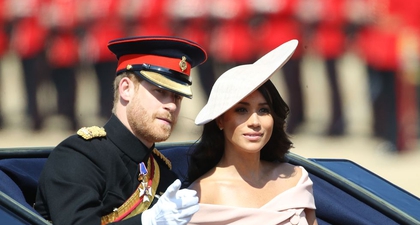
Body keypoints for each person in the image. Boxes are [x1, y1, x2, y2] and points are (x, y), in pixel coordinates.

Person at [34, 36, 207, 225]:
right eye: (160, 92)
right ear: (126, 89)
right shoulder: (79, 157)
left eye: (177, 97)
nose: (172, 106)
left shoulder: (162, 172)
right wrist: (146, 222)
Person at [187, 40, 318, 225]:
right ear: (220, 120)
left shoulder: (295, 179)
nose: (255, 122)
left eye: (263, 110)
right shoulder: (199, 195)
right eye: (241, 110)